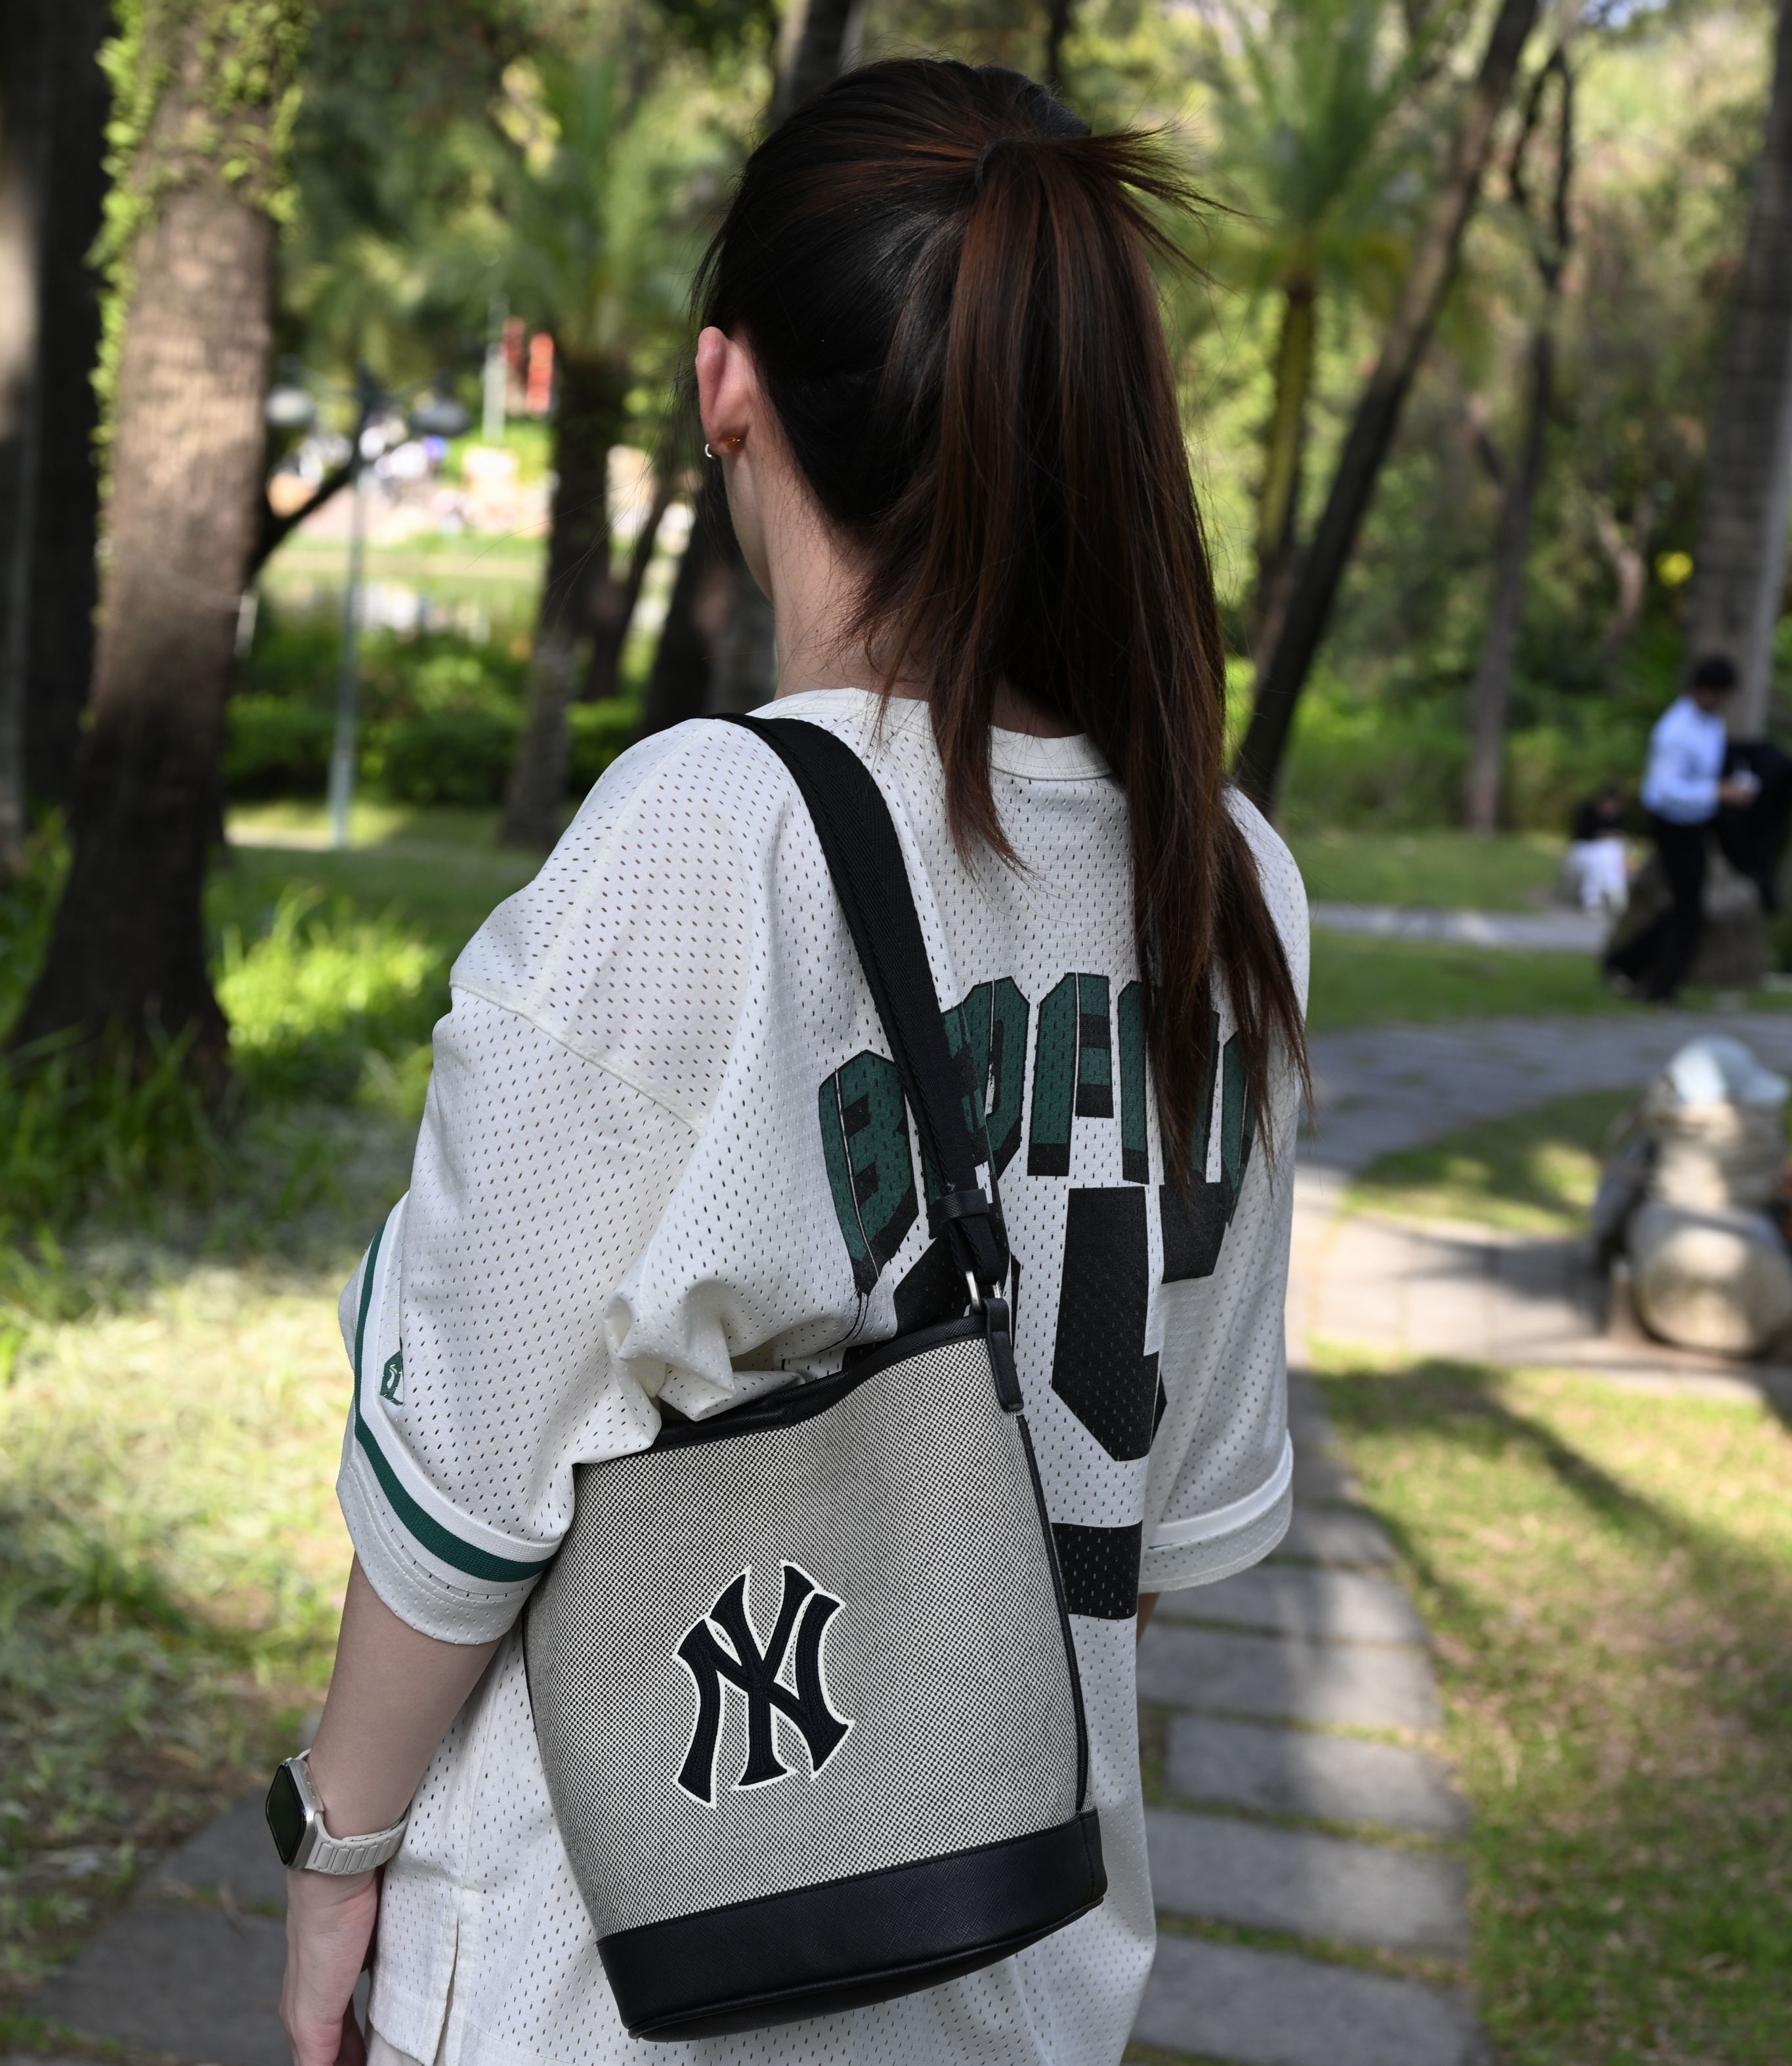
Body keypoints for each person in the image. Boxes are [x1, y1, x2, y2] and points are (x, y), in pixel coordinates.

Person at [276, 60, 1310, 2066]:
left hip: (613, 1979)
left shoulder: (708, 836)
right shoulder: (1222, 878)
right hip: (1015, 1972)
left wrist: (336, 1845)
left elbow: (466, 1487)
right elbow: (1159, 1528)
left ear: (722, 383)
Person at [1604, 654, 1789, 1001]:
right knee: (1688, 909)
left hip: (1697, 820)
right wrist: (1718, 791)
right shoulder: (1676, 732)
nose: (1722, 701)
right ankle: (1657, 986)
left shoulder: (1710, 722)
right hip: (1673, 823)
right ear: (1703, 690)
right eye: (1719, 694)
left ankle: (1625, 964)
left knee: (1686, 906)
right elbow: (1666, 789)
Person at [1561, 782, 1630, 915]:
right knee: (1600, 860)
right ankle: (1615, 893)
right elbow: (1581, 835)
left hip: (1606, 855)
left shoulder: (1617, 817)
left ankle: (1593, 901)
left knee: (1606, 856)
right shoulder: (1587, 811)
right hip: (1584, 850)